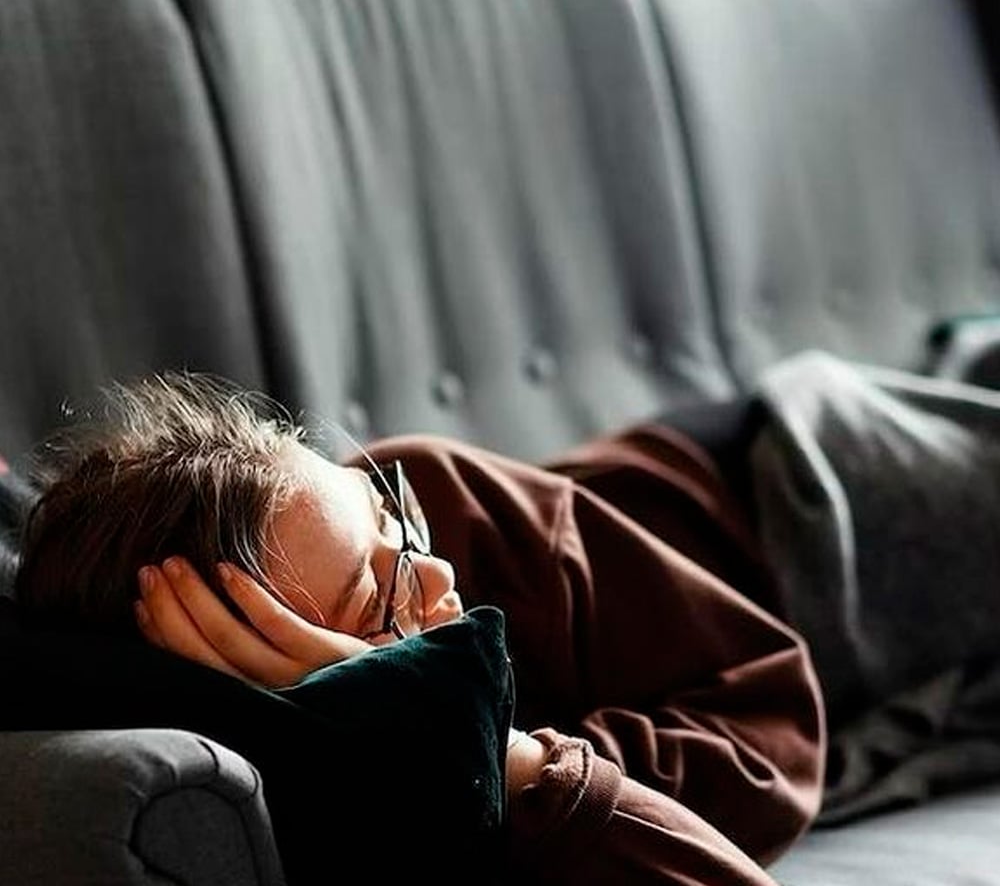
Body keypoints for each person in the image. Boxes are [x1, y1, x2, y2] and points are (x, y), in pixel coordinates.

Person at [14, 372, 825, 886]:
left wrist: (517, 763)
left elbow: (775, 726)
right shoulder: (357, 765)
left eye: (389, 518)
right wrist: (473, 747)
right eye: (378, 600)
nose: (435, 575)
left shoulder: (442, 492)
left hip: (793, 478)